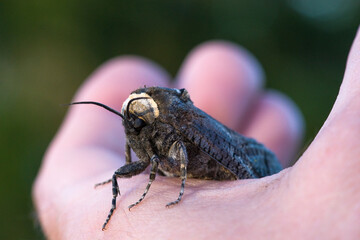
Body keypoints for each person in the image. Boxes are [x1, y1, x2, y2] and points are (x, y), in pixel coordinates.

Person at [33, 28, 360, 239]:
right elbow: (136, 152)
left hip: (229, 159)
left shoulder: (176, 119)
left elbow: (192, 151)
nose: (132, 129)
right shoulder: (140, 126)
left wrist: (164, 191)